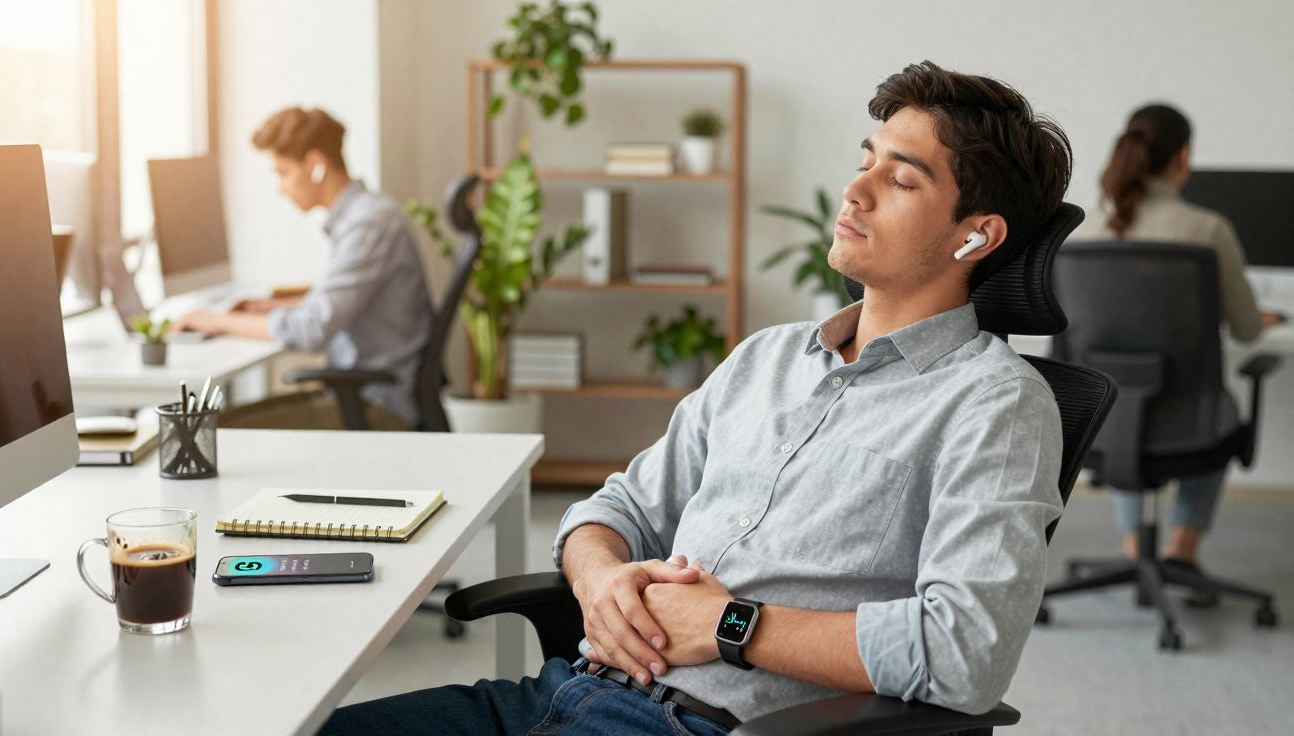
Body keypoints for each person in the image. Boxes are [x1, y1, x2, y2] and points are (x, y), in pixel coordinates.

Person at [319, 60, 1073, 736]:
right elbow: (615, 510)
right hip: (561, 694)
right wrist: (602, 580)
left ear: (975, 238)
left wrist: (727, 624)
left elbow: (967, 652)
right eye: (865, 161)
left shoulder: (996, 405)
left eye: (902, 179)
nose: (856, 188)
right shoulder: (767, 358)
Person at [1077, 104, 1281, 577]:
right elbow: (1248, 329)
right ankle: (1182, 550)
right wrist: (1263, 318)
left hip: (1101, 424)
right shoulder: (1207, 230)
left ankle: (1133, 546)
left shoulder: (1084, 233)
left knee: (1124, 399)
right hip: (1190, 423)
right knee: (1219, 409)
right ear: (1182, 158)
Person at [174, 107, 433, 430]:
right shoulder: (364, 216)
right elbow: (335, 304)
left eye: (283, 173)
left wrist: (215, 320)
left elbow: (311, 329)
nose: (279, 188)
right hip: (363, 397)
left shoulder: (368, 224)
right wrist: (270, 308)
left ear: (315, 166)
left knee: (215, 431)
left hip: (378, 409)